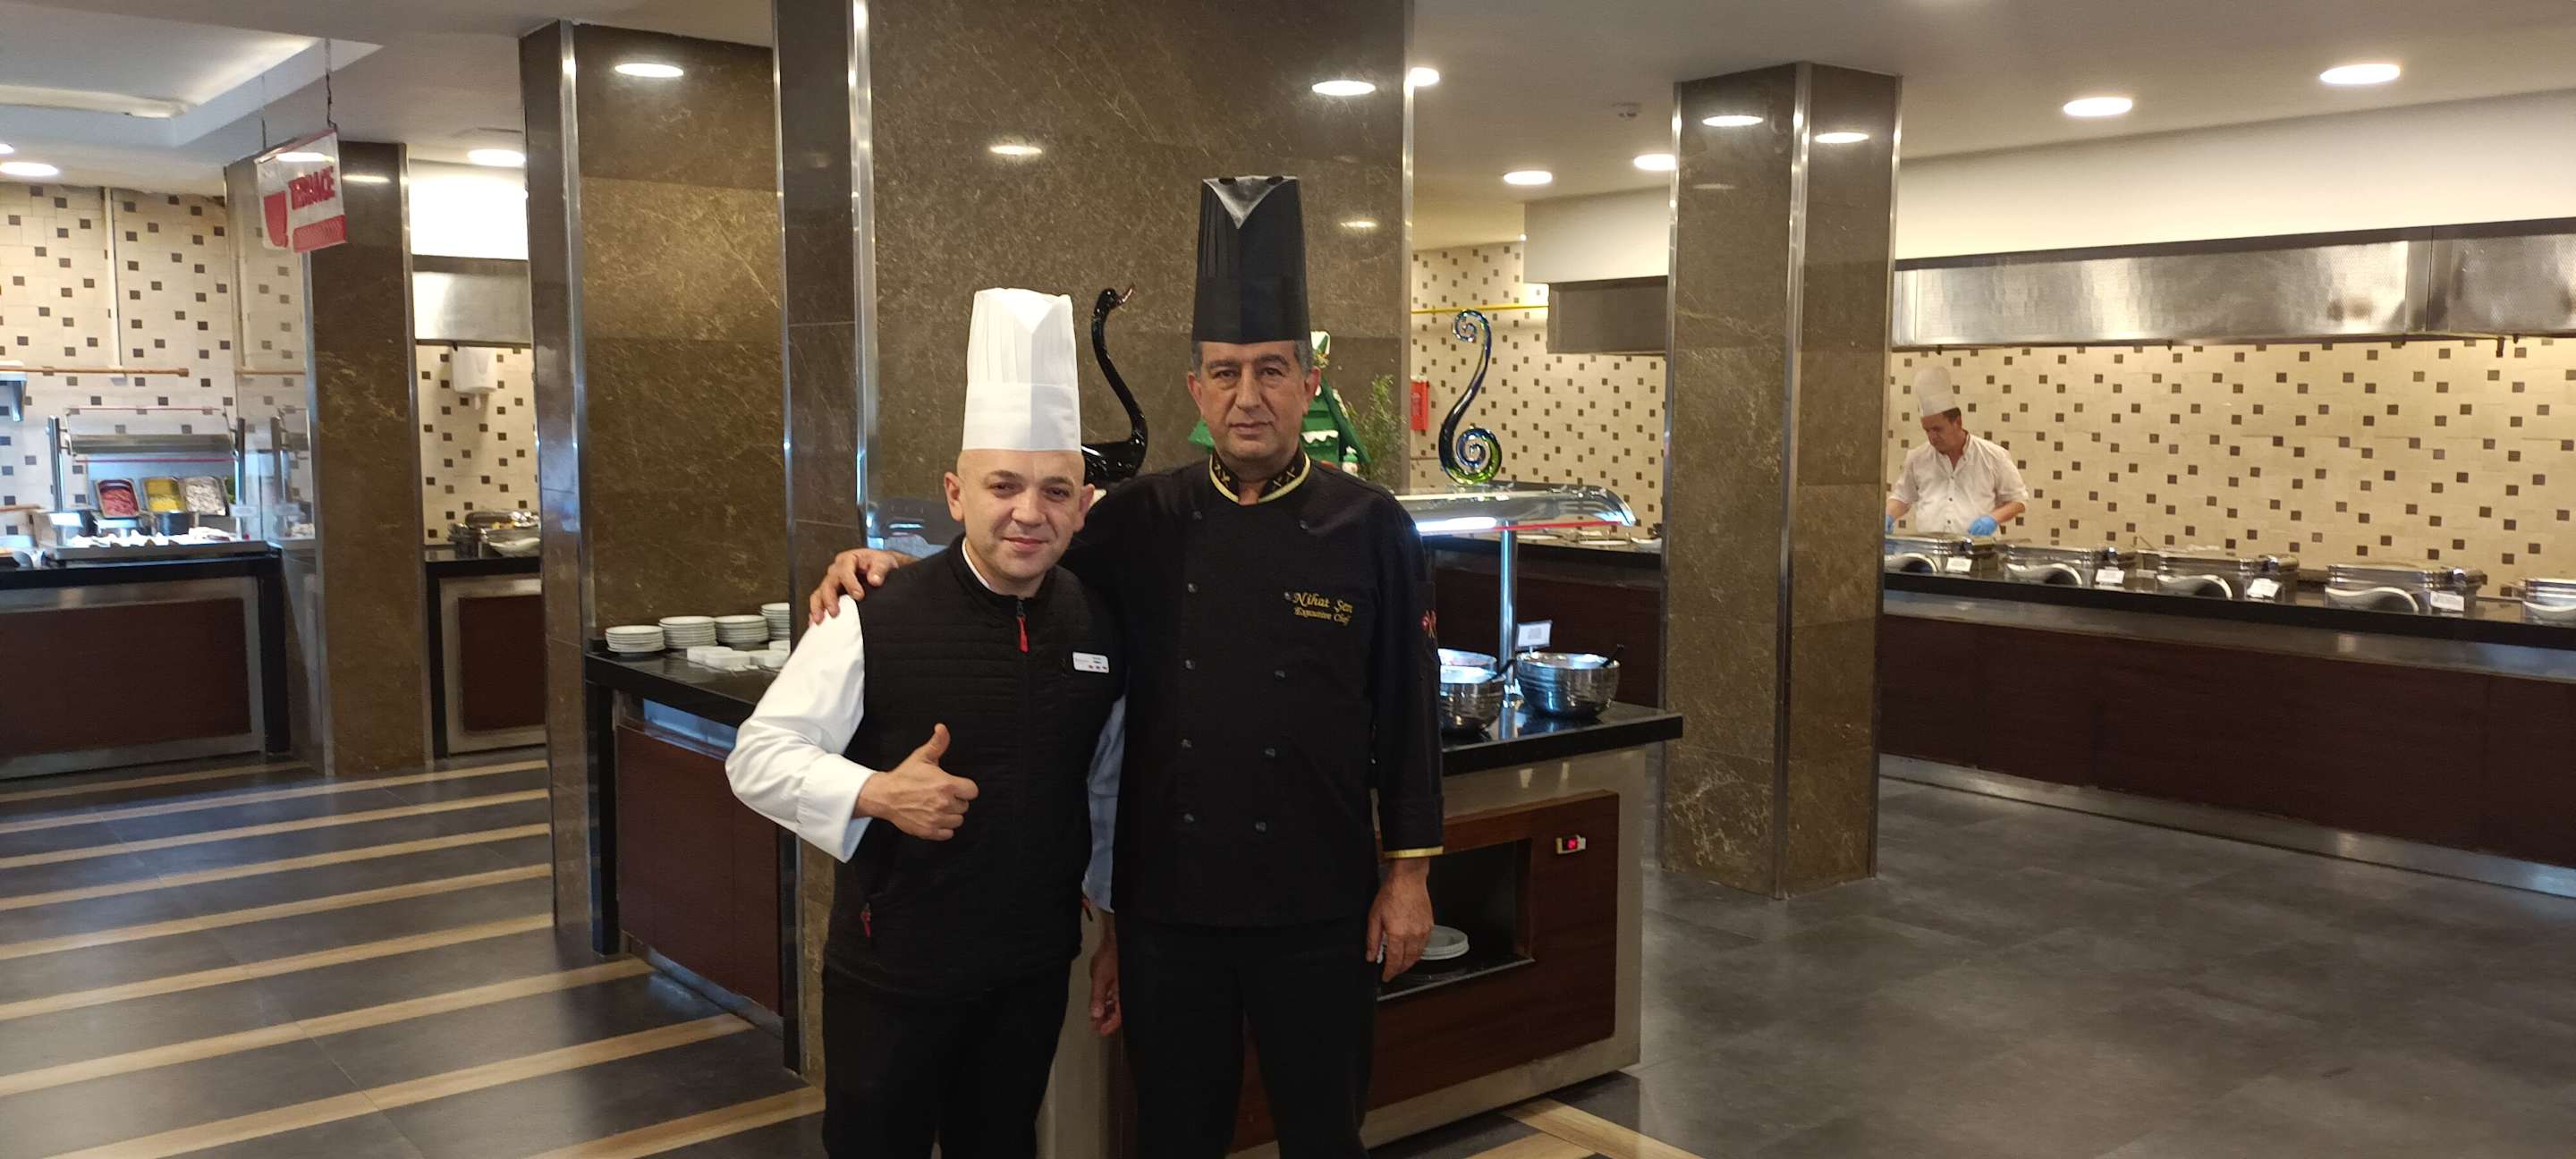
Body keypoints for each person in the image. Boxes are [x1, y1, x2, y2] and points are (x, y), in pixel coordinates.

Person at [809, 175, 1442, 1158]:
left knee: (1326, 1133)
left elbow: (1408, 714)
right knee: (1174, 1134)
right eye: (1225, 373)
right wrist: (881, 566)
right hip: (1167, 909)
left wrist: (1408, 877)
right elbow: (1014, 554)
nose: (1247, 397)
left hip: (1320, 899)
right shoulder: (1140, 517)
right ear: (1195, 388)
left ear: (1309, 382)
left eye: (1271, 371)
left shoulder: (1374, 528)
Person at [725, 288, 1128, 1159]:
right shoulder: (875, 611)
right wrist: (875, 792)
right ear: (955, 493)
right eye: (1003, 486)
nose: (1029, 512)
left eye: (1055, 490)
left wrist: (1114, 935)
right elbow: (757, 757)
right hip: (893, 974)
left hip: (1030, 970)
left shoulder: (1097, 623)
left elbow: (1102, 792)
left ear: (1084, 504)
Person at [1886, 365, 2030, 536]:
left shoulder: (1993, 455)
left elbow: (2018, 501)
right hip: (1930, 547)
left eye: (1938, 429)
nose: (1932, 437)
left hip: (1979, 547)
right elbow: (1902, 498)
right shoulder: (1917, 458)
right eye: (1927, 430)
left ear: (1958, 422)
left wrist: (1992, 519)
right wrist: (1887, 517)